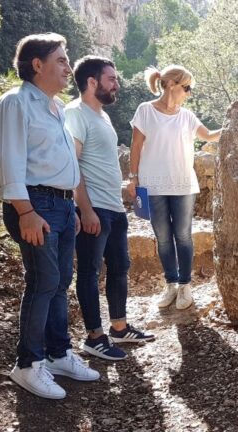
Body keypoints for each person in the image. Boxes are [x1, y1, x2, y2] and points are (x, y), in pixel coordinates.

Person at [0, 33, 100, 400]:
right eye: (62, 60)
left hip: (62, 206)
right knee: (43, 281)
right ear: (37, 65)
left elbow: (65, 163)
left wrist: (78, 207)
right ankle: (27, 364)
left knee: (59, 281)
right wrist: (26, 212)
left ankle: (57, 354)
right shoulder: (15, 103)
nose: (69, 67)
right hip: (36, 206)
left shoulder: (55, 108)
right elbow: (8, 163)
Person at [65, 56, 155, 362]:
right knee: (89, 272)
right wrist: (85, 209)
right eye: (111, 79)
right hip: (94, 209)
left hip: (113, 208)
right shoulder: (75, 114)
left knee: (120, 267)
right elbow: (72, 164)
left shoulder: (101, 115)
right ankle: (94, 337)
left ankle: (118, 327)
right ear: (92, 82)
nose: (117, 84)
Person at [127, 65, 221, 309]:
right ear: (171, 84)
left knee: (183, 235)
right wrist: (133, 178)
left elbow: (209, 136)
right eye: (186, 87)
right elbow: (136, 146)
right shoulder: (145, 111)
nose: (189, 93)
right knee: (163, 238)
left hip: (183, 185)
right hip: (153, 185)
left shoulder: (187, 116)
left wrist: (233, 125)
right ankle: (171, 284)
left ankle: (186, 286)